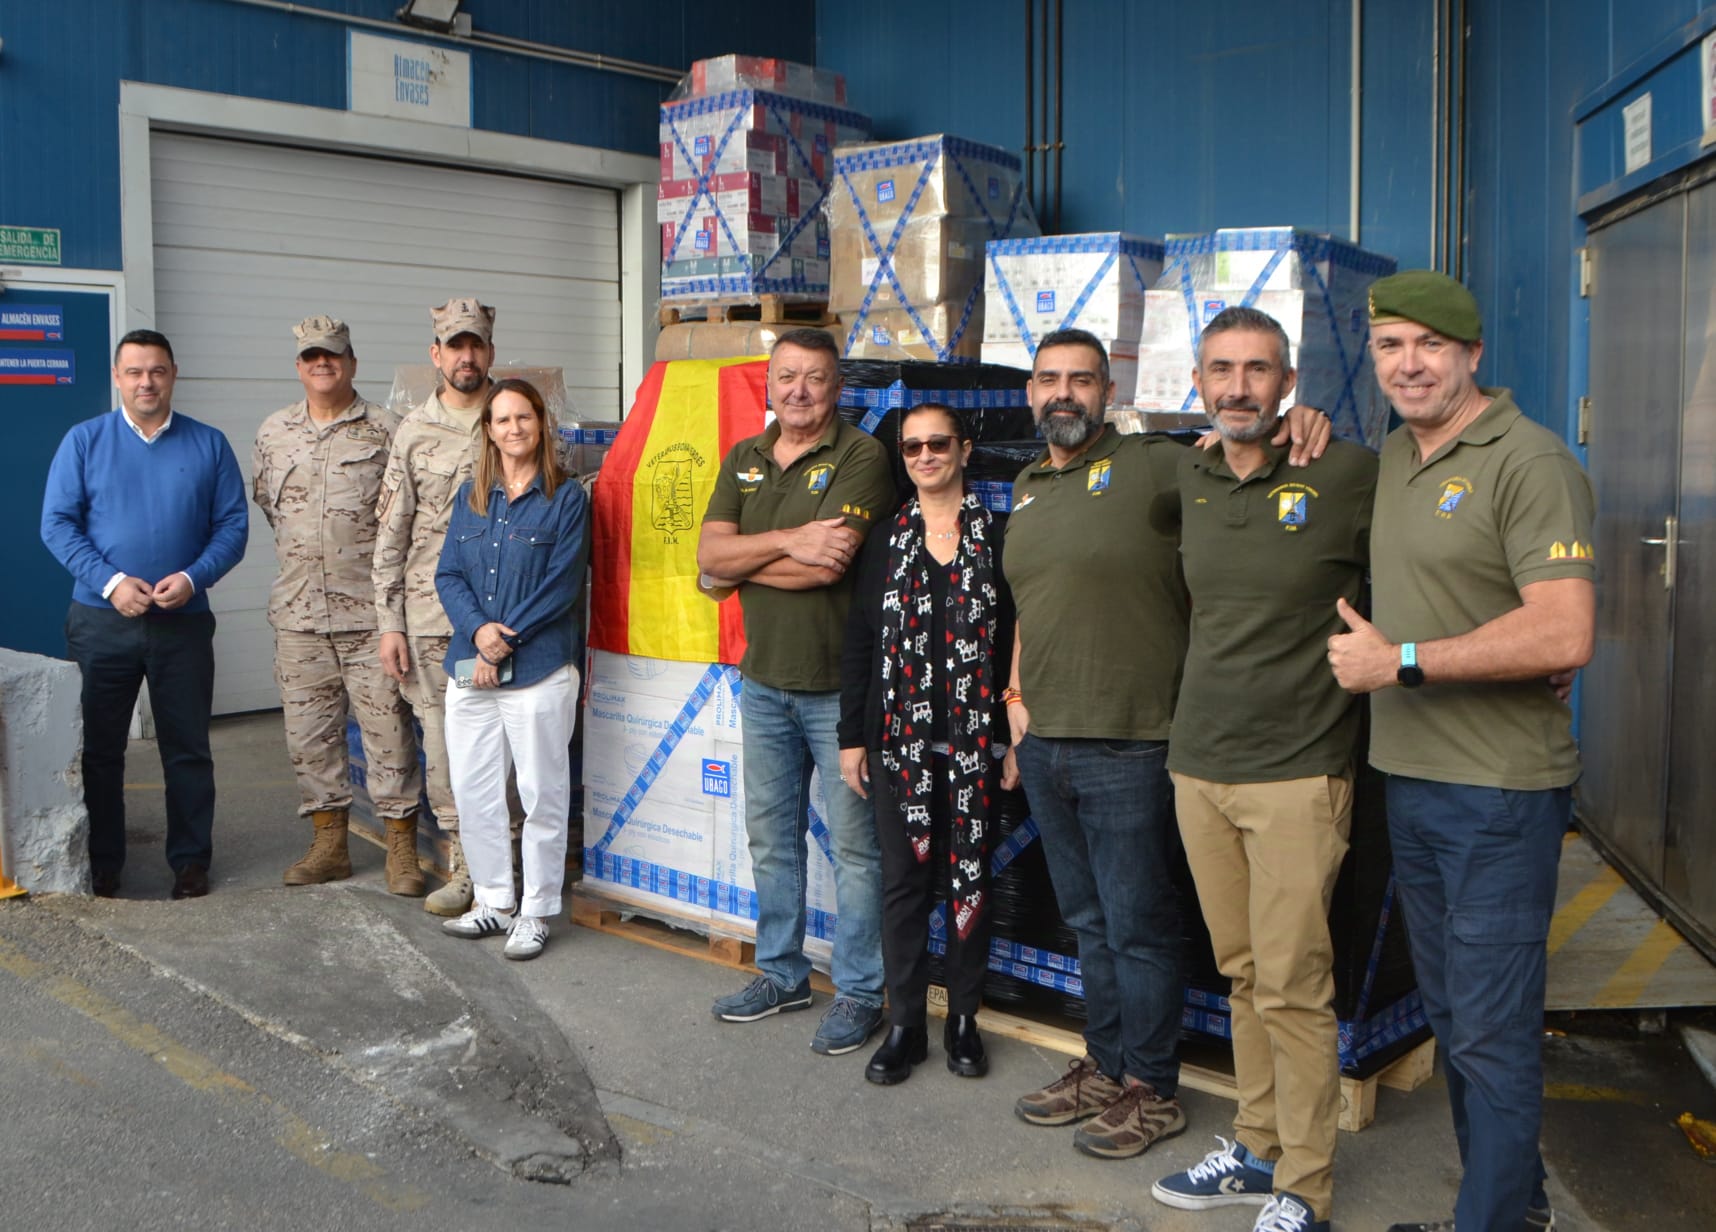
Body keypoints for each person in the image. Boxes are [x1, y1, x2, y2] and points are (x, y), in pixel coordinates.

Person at [1003, 327, 1329, 1161]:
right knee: (1086, 920)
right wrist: (1014, 701)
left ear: (1109, 393)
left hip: (1135, 743)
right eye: (1049, 380)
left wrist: (1298, 423)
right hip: (1047, 741)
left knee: (1139, 924)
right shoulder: (1028, 483)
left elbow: (1244, 452)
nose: (1064, 393)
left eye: (1082, 379)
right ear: (1030, 391)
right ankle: (1105, 1067)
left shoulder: (1157, 464)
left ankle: (1152, 1088)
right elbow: (1031, 604)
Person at [1328, 271, 1595, 1232]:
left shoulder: (1530, 461)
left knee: (1490, 1033)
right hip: (1417, 783)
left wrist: (1399, 660)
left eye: (1429, 346)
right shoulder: (1398, 454)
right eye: (1391, 345)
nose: (1408, 364)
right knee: (1455, 1019)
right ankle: (1511, 1208)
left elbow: (1565, 633)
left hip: (1498, 795)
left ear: (1472, 354)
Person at [1149, 307, 1377, 1232]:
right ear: (1198, 382)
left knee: (1293, 983)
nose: (1237, 385)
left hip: (1297, 773)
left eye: (1257, 369)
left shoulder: (1347, 472)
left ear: (1289, 385)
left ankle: (1305, 1189)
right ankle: (1256, 1145)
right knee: (1242, 972)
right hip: (1200, 765)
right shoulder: (1187, 473)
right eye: (1220, 369)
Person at [696, 328, 897, 1056]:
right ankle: (781, 975)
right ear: (770, 384)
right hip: (764, 683)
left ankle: (862, 992)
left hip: (837, 694)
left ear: (837, 387)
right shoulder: (744, 457)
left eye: (814, 378)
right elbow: (705, 556)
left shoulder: (862, 457)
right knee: (771, 841)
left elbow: (828, 568)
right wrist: (787, 542)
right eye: (786, 377)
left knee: (856, 850)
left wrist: (738, 563)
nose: (799, 391)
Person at [838, 403, 1017, 1086]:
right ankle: (907, 1022)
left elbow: (1017, 643)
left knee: (971, 876)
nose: (924, 456)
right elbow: (860, 642)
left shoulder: (998, 537)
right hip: (900, 747)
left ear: (965, 450)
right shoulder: (886, 542)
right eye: (911, 448)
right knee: (903, 886)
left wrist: (1012, 729)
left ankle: (964, 1018)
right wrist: (853, 738)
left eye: (937, 444)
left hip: (976, 744)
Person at [40, 328, 248, 900]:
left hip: (182, 621)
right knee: (101, 751)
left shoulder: (208, 444)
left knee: (187, 748)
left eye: (156, 370)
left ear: (173, 374)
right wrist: (110, 583)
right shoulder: (84, 441)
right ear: (117, 377)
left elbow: (233, 527)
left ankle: (190, 862)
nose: (146, 381)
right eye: (134, 371)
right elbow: (57, 524)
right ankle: (104, 862)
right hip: (101, 622)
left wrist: (192, 577)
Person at [253, 316, 424, 895]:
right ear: (299, 366)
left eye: (333, 355)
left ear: (352, 362)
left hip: (370, 618)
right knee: (309, 738)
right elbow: (272, 510)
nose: (322, 364)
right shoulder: (273, 431)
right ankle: (330, 845)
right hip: (299, 618)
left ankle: (402, 849)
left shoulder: (387, 430)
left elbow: (406, 521)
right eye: (311, 357)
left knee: (389, 737)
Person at [434, 379, 589, 961]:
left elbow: (563, 585)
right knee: (474, 792)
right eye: (502, 420)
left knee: (541, 794)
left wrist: (503, 641)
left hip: (540, 671)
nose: (514, 428)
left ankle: (537, 910)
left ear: (541, 424)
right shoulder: (471, 498)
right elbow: (448, 573)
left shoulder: (566, 498)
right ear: (489, 431)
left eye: (524, 417)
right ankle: (495, 902)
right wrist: (478, 632)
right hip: (471, 667)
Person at [374, 296, 497, 916]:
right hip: (429, 622)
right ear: (436, 355)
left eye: (475, 344)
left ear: (490, 352)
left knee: (507, 756)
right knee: (446, 757)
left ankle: (509, 873)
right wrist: (389, 622)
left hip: (503, 621)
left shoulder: (514, 418)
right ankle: (466, 869)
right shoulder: (413, 432)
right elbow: (390, 533)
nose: (466, 356)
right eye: (455, 345)